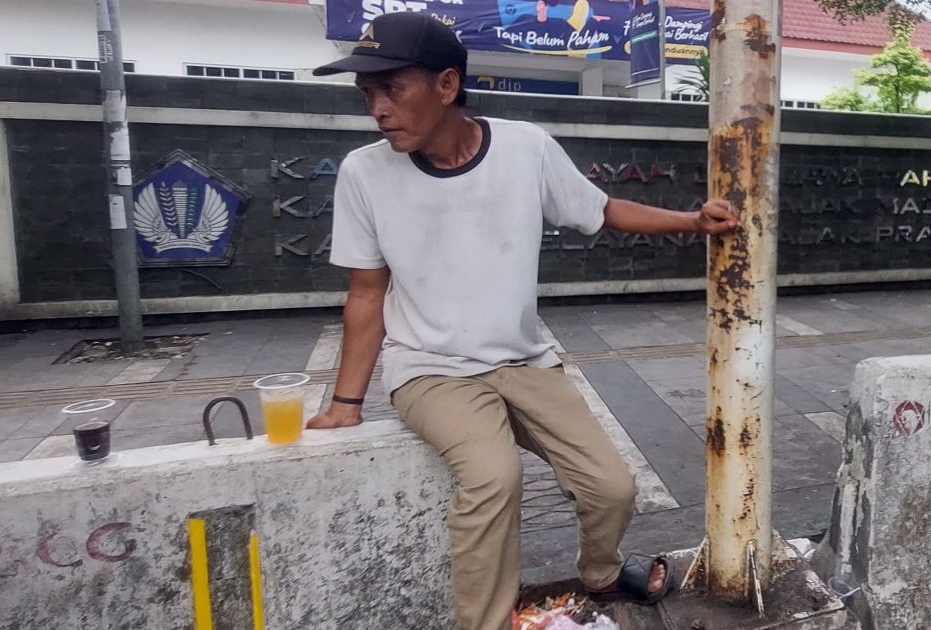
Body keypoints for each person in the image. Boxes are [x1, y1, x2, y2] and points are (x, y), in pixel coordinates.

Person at [306, 13, 739, 630]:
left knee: (611, 485)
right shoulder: (364, 173)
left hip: (524, 359)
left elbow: (602, 209)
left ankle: (603, 572)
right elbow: (367, 295)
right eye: (368, 93)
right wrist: (346, 401)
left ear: (447, 84)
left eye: (391, 88)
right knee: (493, 477)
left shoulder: (525, 147)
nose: (377, 107)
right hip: (430, 370)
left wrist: (693, 221)